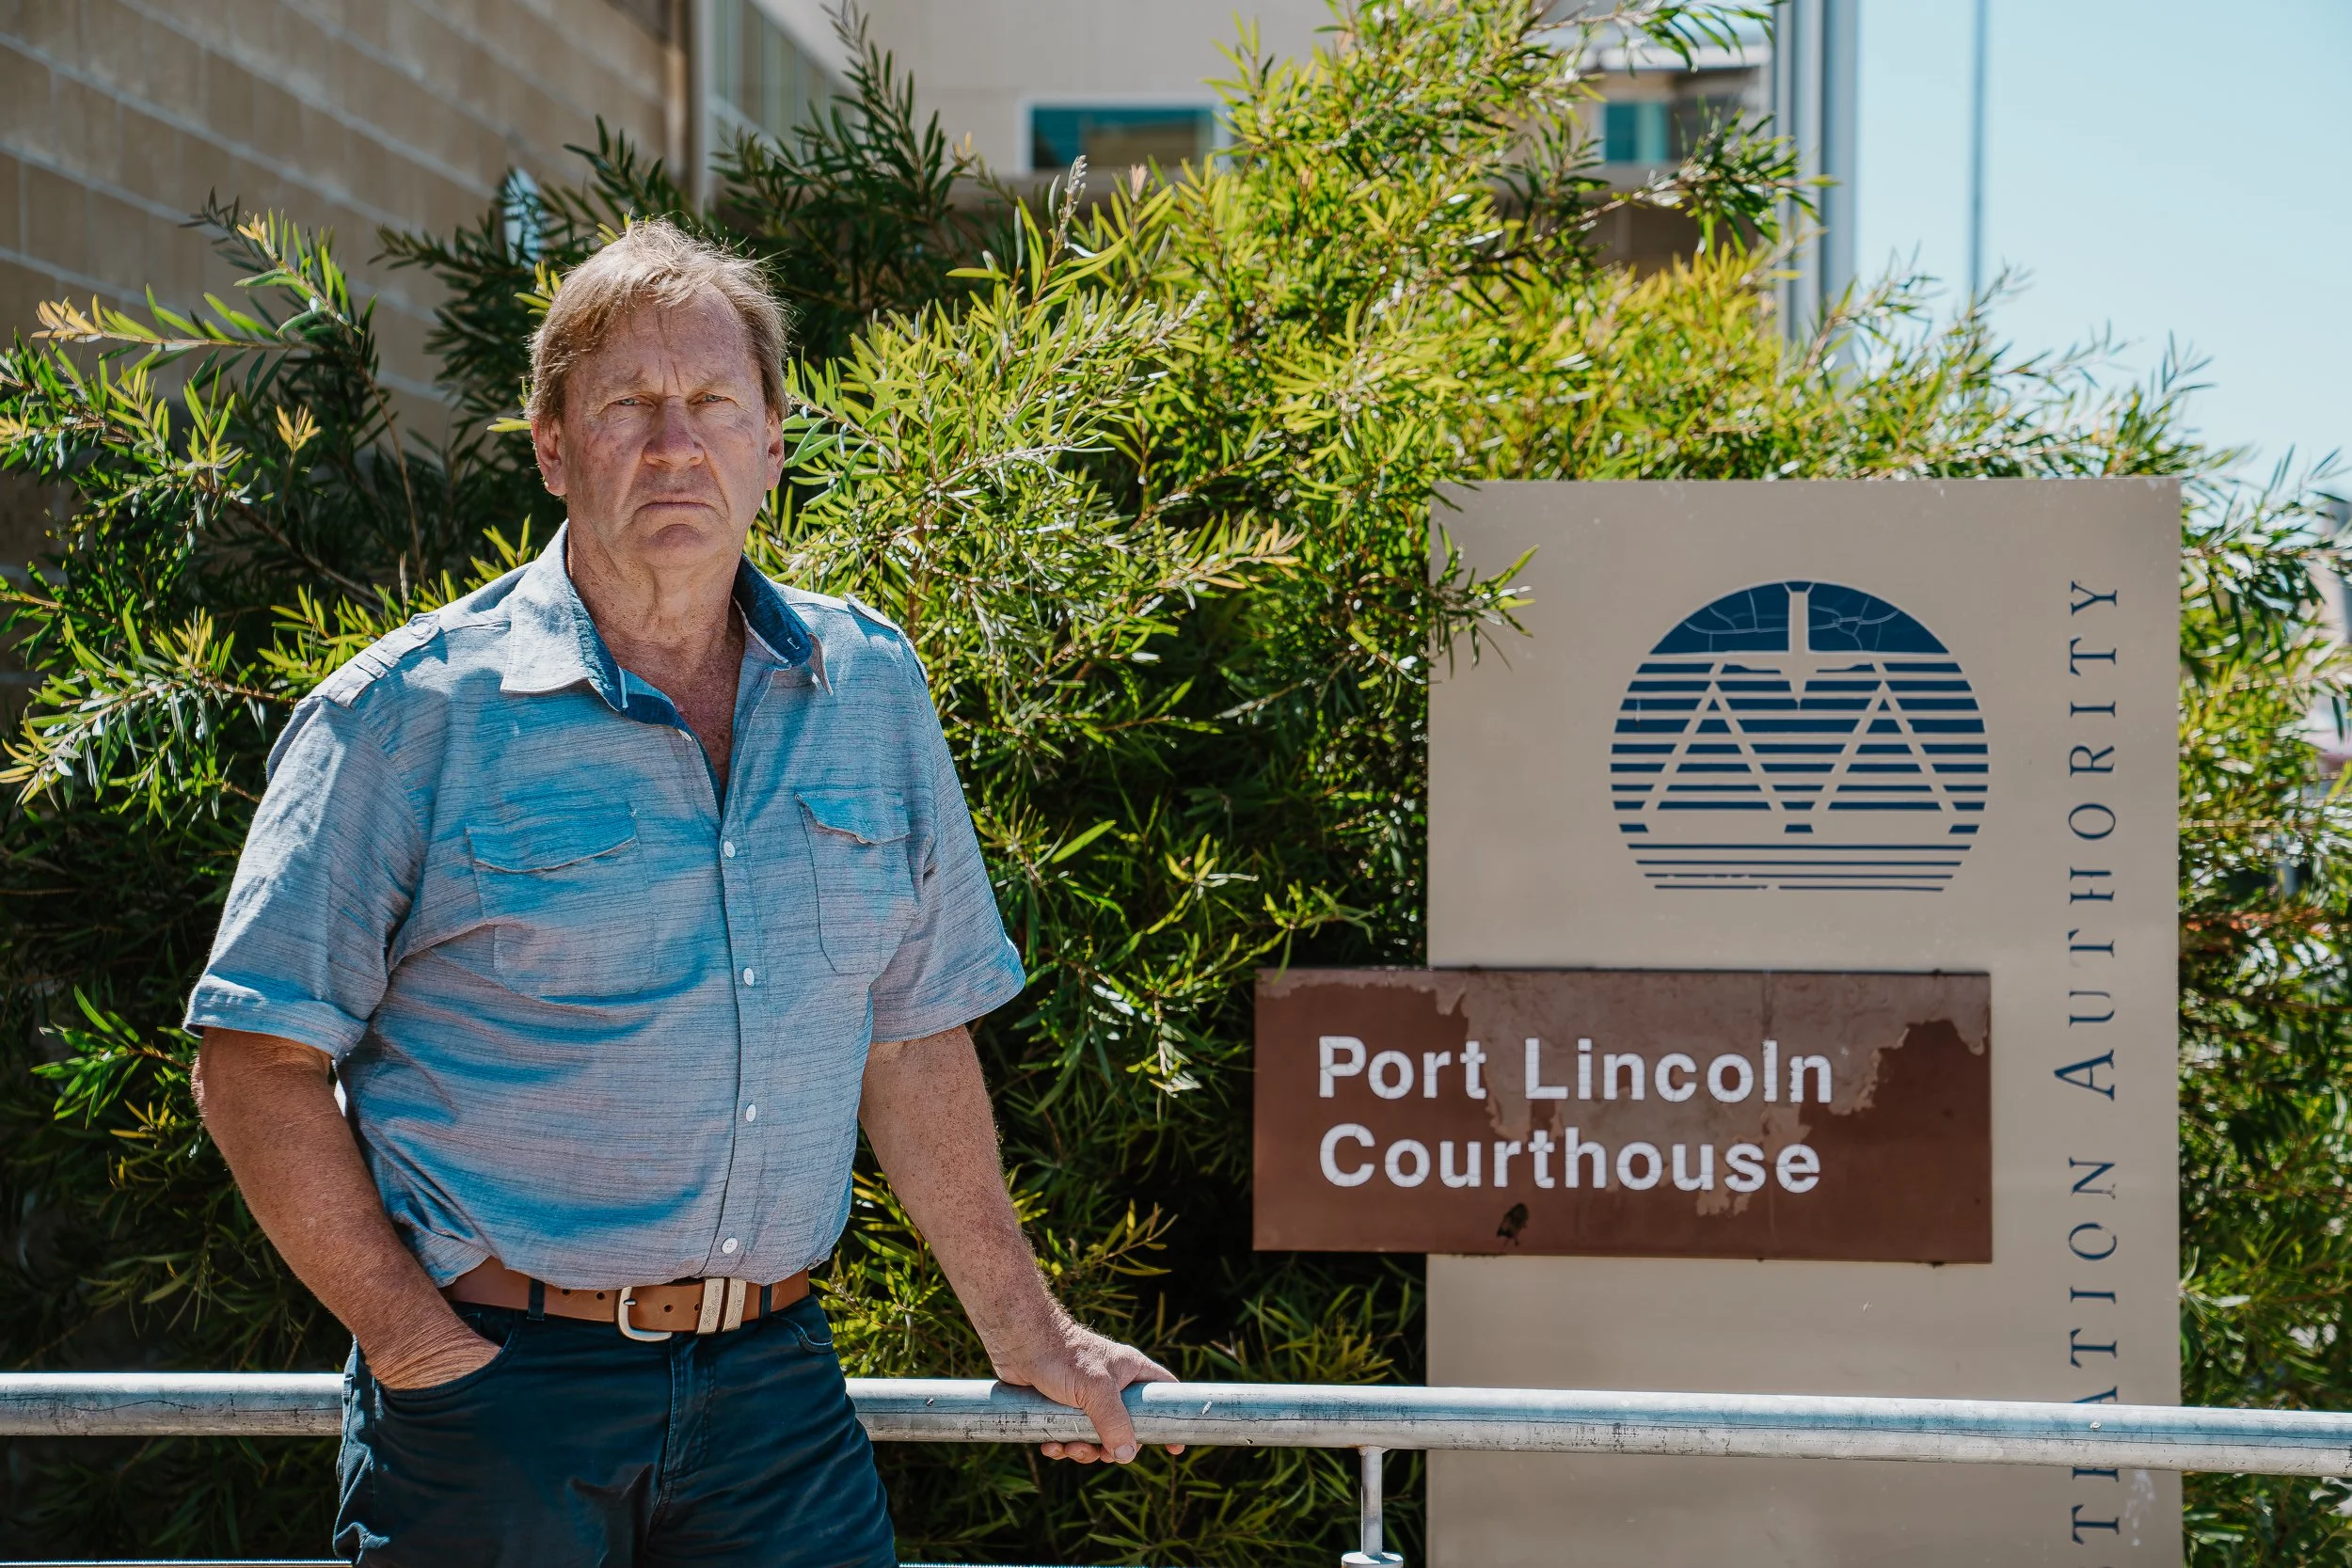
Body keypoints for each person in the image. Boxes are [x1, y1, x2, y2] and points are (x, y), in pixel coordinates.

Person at [187, 218, 1173, 1567]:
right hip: (496, 1401)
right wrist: (418, 1345)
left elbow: (912, 1034)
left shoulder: (868, 687)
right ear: (551, 445)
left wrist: (1030, 1331)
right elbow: (254, 1060)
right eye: (628, 407)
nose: (674, 444)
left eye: (713, 402)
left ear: (772, 439)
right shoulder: (406, 715)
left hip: (775, 1391)